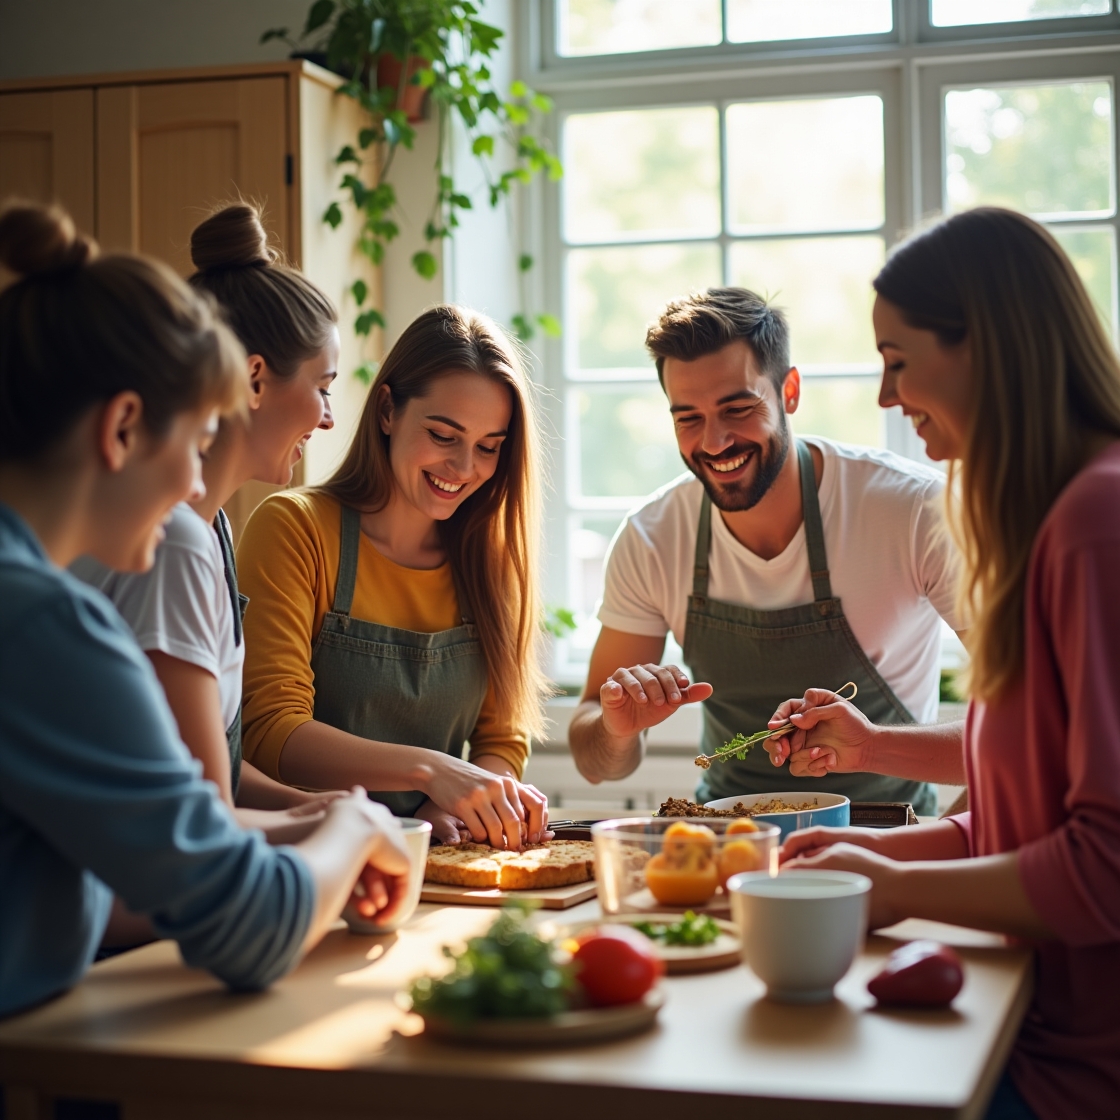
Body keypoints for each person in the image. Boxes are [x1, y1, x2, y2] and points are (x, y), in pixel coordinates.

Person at [0, 201, 409, 1019]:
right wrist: (355, 829)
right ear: (122, 429)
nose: (196, 483)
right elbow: (249, 926)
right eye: (193, 442)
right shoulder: (42, 625)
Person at [777, 208, 1120, 1120]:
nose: (886, 396)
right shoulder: (1050, 519)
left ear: (987, 347)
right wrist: (872, 857)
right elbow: (1026, 817)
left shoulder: (1097, 524)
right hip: (1023, 1023)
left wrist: (895, 889)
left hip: (1079, 1075)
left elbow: (1106, 863)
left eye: (898, 360)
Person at [568, 287, 964, 815]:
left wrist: (945, 839)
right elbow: (596, 763)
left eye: (737, 408)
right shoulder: (652, 536)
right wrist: (616, 730)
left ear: (789, 392)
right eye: (688, 418)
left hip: (884, 838)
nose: (714, 442)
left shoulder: (913, 511)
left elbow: (1034, 724)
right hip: (726, 841)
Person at [73, 203, 345, 841]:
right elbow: (203, 824)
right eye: (323, 387)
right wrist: (344, 831)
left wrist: (321, 808)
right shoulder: (173, 544)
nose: (329, 417)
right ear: (255, 379)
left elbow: (200, 762)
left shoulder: (209, 527)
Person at [237, 305, 550, 848]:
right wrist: (434, 772)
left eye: (488, 447)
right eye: (444, 435)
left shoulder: (492, 561)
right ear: (387, 410)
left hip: (436, 850)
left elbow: (501, 738)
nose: (464, 468)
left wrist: (444, 804)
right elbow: (271, 731)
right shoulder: (296, 528)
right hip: (306, 853)